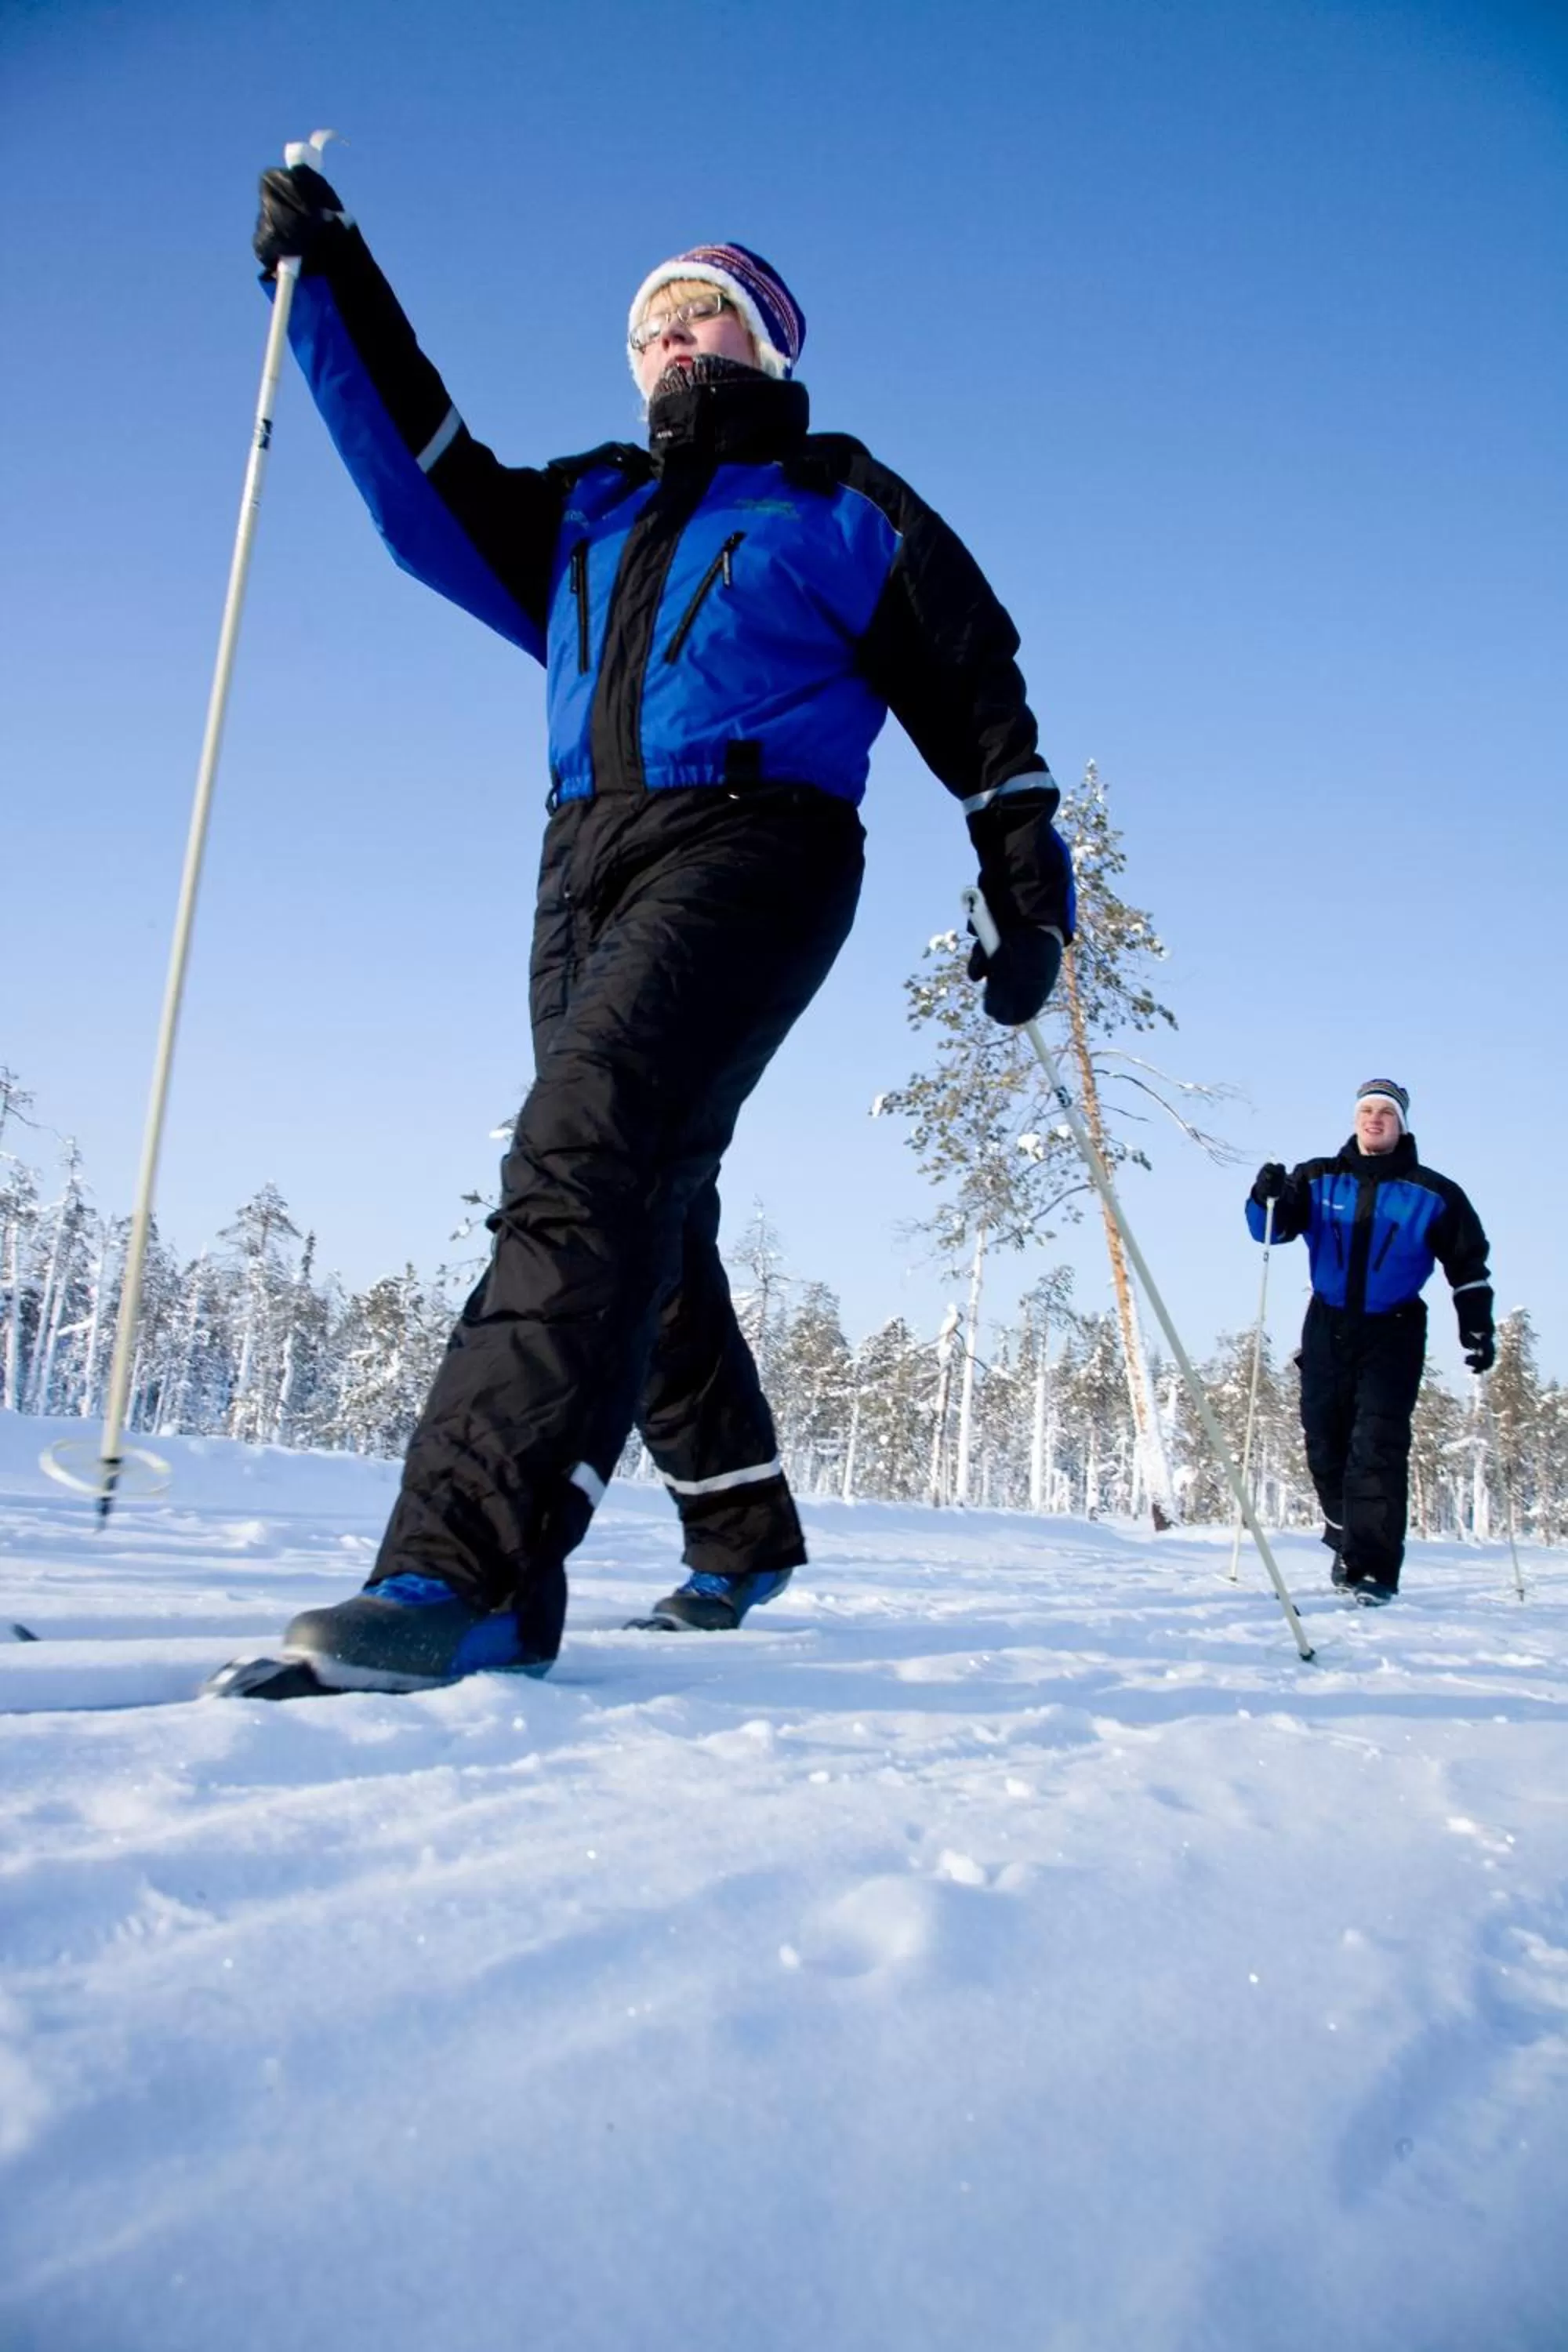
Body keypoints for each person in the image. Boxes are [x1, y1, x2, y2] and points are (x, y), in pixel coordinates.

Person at [249, 163, 1076, 1688]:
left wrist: (1028, 886)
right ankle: (738, 1528)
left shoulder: (836, 499)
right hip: (581, 862)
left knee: (582, 1157)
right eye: (650, 328)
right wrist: (333, 282)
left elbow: (973, 686)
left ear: (770, 342)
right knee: (645, 1199)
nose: (673, 341)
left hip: (760, 846)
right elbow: (425, 489)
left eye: (705, 316)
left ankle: (467, 1572)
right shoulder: (590, 508)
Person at [1247, 1080, 1494, 1602]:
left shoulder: (1435, 1194)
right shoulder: (1317, 1178)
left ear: (1401, 1124)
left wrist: (1476, 1326)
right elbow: (1269, 1229)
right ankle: (1345, 1535)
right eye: (1366, 1110)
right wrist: (1264, 1195)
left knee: (1377, 1445)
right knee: (1325, 1444)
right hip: (1327, 1324)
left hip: (1393, 1328)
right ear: (1355, 1119)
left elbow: (1468, 1264)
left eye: (1385, 1111)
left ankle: (1373, 1571)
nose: (1374, 1118)